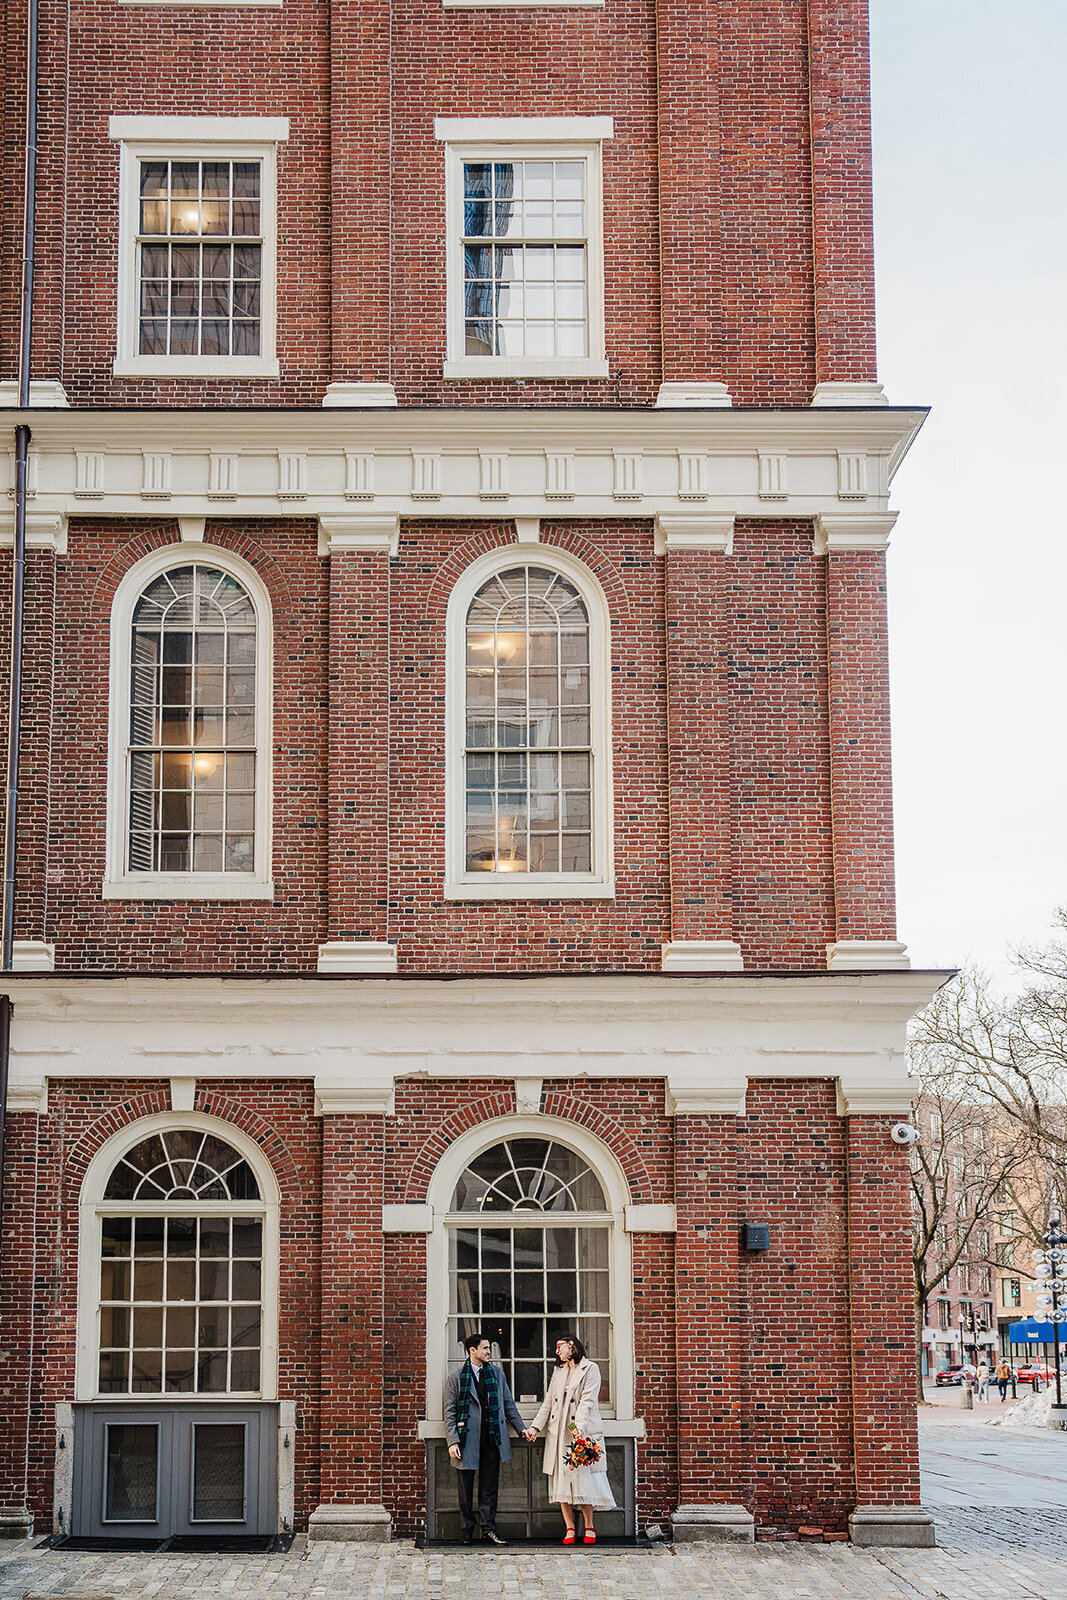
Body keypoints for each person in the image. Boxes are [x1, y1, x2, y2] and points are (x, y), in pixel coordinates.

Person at [528, 1334, 616, 1545]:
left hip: (580, 1432)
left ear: (572, 1347)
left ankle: (589, 1526)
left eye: (560, 1347)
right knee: (562, 1484)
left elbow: (588, 1401)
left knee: (583, 1481)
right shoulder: (559, 1371)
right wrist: (535, 1426)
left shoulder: (590, 1369)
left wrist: (578, 1427)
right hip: (559, 1433)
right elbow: (549, 1402)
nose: (557, 1351)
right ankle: (569, 1527)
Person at [444, 1331, 530, 1545]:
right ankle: (467, 1529)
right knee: (465, 1489)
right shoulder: (456, 1378)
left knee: (489, 1488)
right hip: (466, 1440)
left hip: (492, 1438)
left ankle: (488, 1529)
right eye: (485, 1348)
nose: (489, 1352)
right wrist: (453, 1441)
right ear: (472, 1350)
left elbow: (508, 1405)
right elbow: (450, 1413)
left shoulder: (497, 1375)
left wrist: (521, 1429)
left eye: (489, 1348)